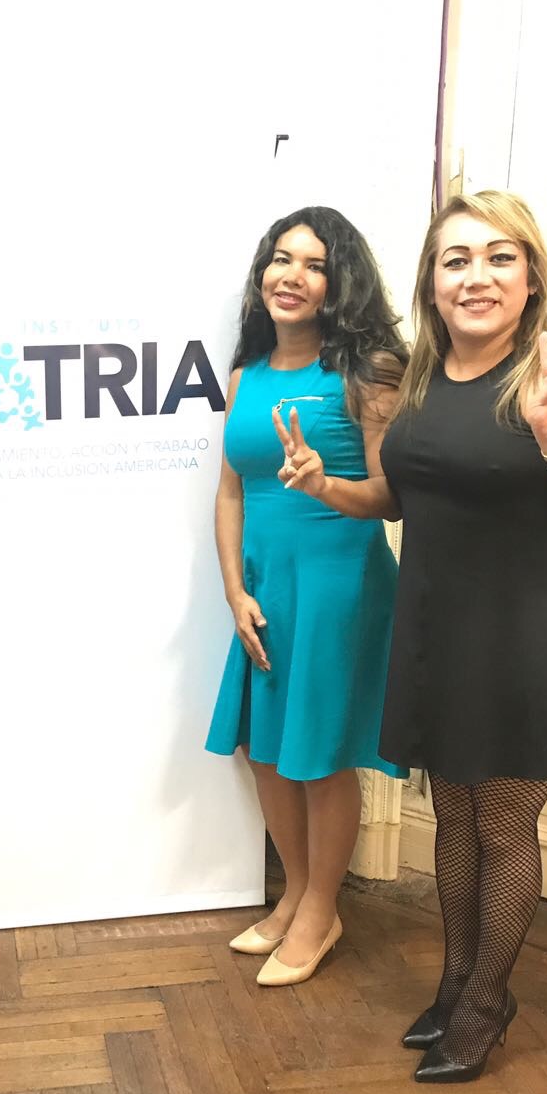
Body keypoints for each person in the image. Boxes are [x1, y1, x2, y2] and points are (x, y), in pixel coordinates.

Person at [276, 189, 547, 1080]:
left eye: (500, 257)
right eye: (456, 259)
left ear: (532, 277)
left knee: (503, 825)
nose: (477, 276)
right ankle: (458, 982)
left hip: (525, 635)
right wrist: (324, 483)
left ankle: (485, 1005)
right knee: (454, 815)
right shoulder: (424, 381)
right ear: (432, 282)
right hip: (434, 627)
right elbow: (400, 500)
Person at [206, 205, 408, 987]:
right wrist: (234, 590)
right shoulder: (245, 376)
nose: (292, 276)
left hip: (336, 584)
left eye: (315, 264)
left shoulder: (368, 372)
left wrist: (325, 484)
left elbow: (392, 497)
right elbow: (231, 492)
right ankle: (295, 893)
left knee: (319, 755)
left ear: (338, 282)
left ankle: (322, 911)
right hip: (263, 586)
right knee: (264, 749)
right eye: (281, 259)